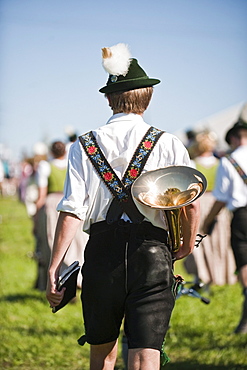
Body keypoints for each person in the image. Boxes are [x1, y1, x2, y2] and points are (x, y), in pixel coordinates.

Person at [46, 43, 200, 369]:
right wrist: (185, 244)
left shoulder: (83, 145)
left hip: (102, 254)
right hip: (154, 252)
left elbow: (72, 209)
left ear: (108, 98)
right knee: (146, 354)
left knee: (102, 353)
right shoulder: (169, 142)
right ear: (148, 97)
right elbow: (190, 206)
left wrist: (55, 265)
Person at [203, 103, 247, 334]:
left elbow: (220, 197)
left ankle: (246, 317)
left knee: (245, 264)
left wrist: (207, 221)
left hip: (242, 216)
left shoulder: (229, 161)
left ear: (232, 139)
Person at [184, 131, 237, 287]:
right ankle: (221, 275)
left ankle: (203, 276)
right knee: (220, 239)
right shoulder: (220, 162)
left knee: (200, 239)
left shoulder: (193, 164)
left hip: (200, 201)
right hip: (217, 203)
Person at [34, 141, 86, 290]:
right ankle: (77, 279)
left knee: (53, 242)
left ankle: (58, 281)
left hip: (52, 204)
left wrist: (36, 219)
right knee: (76, 243)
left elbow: (41, 195)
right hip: (71, 201)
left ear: (51, 152)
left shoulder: (46, 167)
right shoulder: (72, 162)